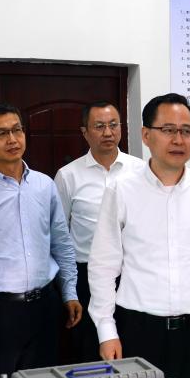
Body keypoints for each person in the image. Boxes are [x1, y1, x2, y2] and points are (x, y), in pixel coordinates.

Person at [88, 93, 190, 378]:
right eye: (168, 130)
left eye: (186, 131)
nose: (178, 140)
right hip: (139, 330)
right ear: (146, 135)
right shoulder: (122, 189)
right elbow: (103, 266)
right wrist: (107, 331)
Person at [0, 102, 81, 376]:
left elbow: (62, 244)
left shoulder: (44, 185)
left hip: (44, 305)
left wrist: (69, 292)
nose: (12, 139)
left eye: (17, 130)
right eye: (1, 134)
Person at [54, 101, 143, 362]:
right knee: (90, 348)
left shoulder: (140, 170)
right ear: (85, 132)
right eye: (99, 126)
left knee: (132, 346)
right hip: (85, 275)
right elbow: (59, 234)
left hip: (131, 273)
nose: (108, 132)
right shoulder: (68, 175)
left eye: (113, 125)